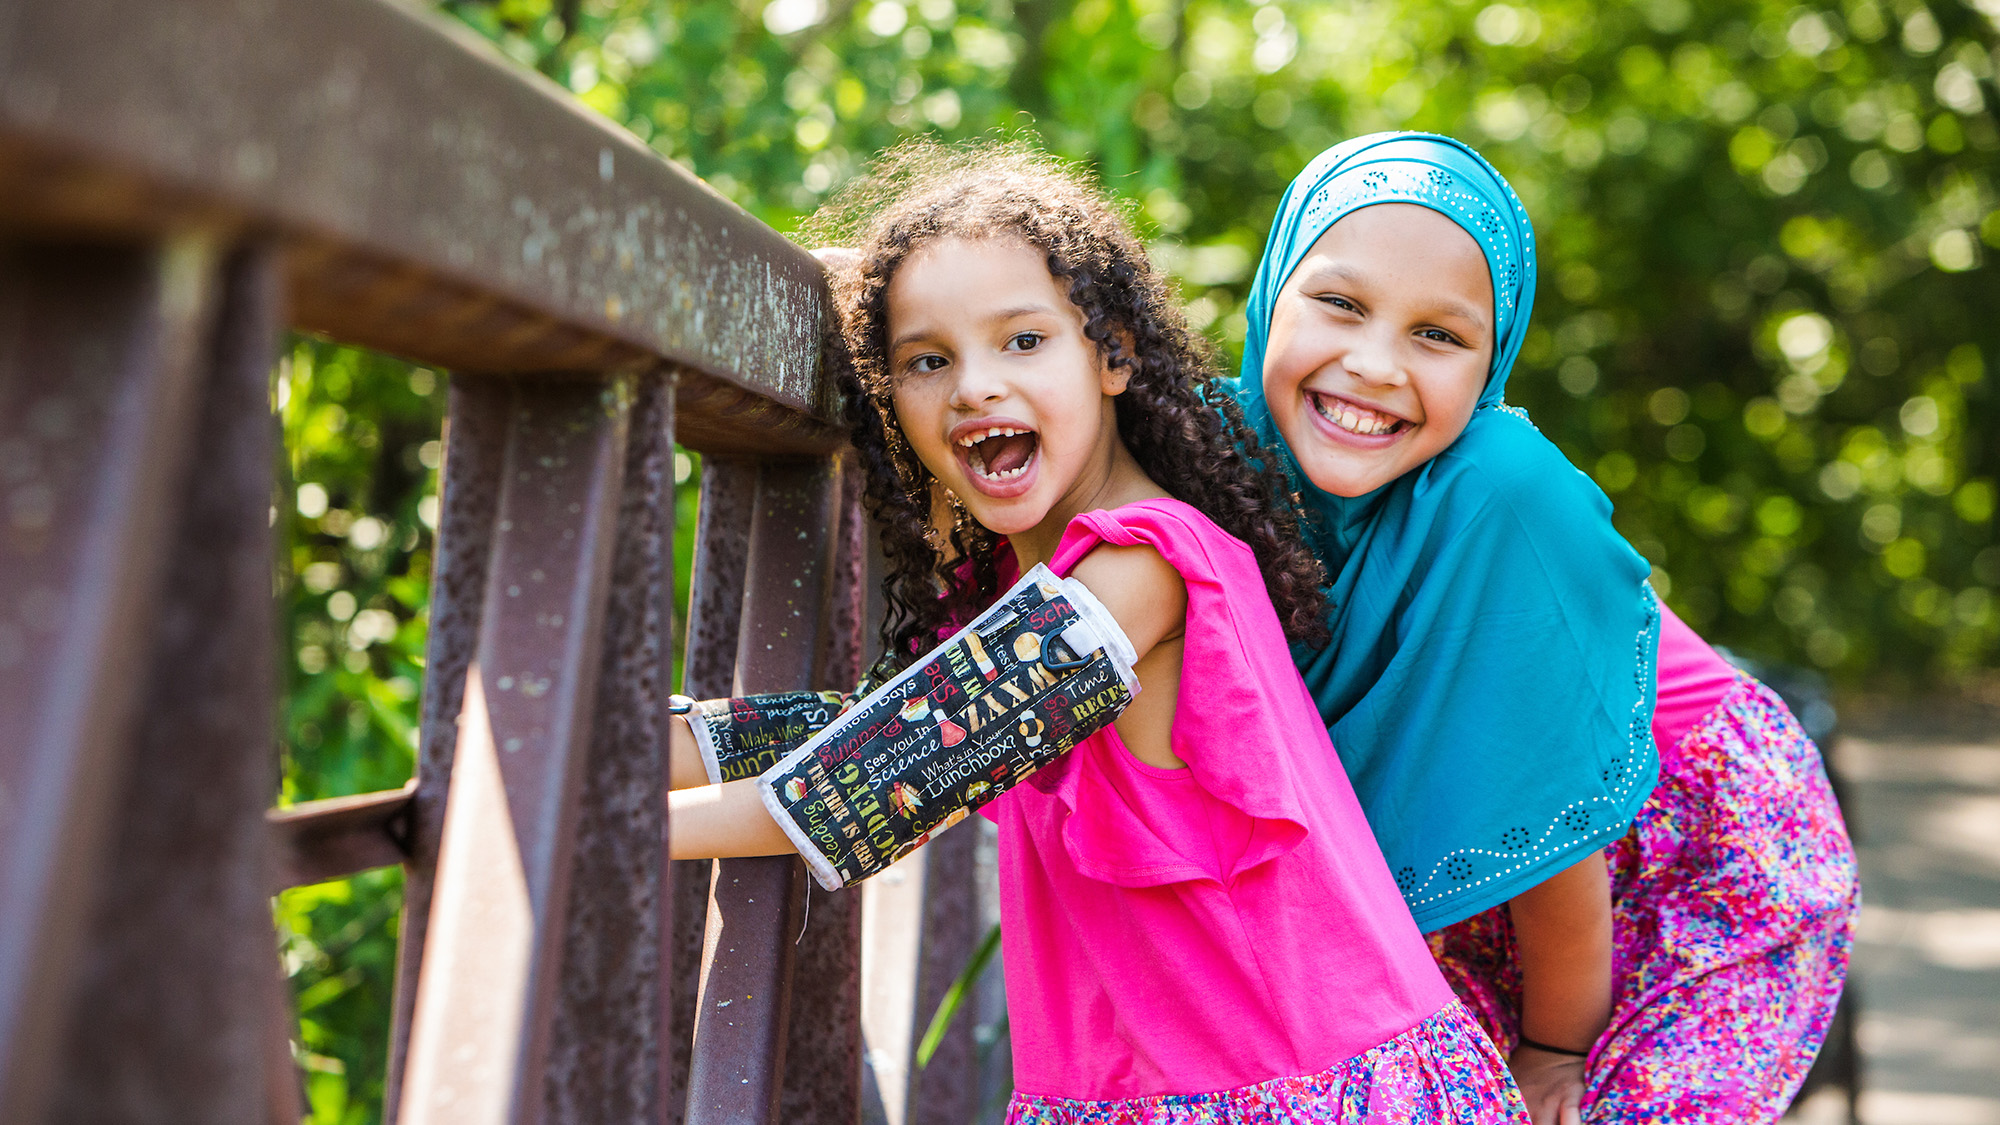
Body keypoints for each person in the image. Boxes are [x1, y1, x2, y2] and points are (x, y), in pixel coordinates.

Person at [665, 143, 1530, 1123]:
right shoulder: (1031, 584)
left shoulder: (1144, 567)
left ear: (1112, 354)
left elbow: (891, 775)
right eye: (926, 361)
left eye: (1021, 342)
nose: (973, 387)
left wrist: (609, 821)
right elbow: (871, 723)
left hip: (1315, 1097)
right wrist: (652, 743)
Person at [1230, 131, 1859, 1125]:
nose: (1372, 363)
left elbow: (1558, 827)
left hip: (1682, 848)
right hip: (1489, 867)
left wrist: (1555, 1053)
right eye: (1339, 303)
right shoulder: (1222, 469)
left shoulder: (1498, 498)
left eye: (1437, 336)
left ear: (1492, 363)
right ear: (1270, 294)